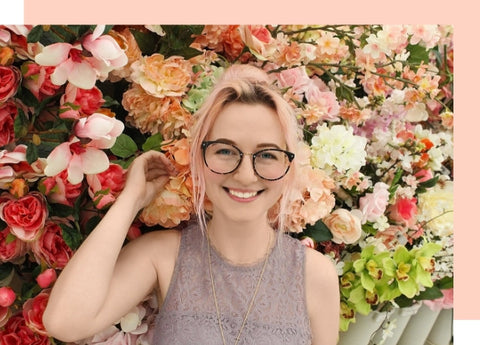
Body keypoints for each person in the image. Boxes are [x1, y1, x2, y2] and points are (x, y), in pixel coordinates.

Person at [43, 64, 340, 345]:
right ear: (199, 158)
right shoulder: (163, 255)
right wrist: (130, 201)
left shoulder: (315, 276)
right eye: (225, 150)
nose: (246, 175)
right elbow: (65, 322)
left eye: (267, 155)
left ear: (289, 167)